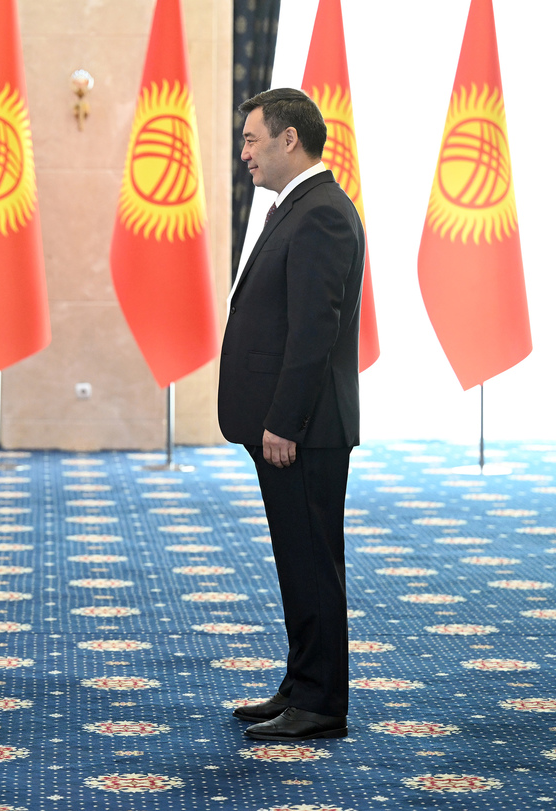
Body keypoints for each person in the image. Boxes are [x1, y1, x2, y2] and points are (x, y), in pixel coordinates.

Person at [218, 88, 364, 741]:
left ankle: (322, 703)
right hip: (293, 425)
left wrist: (284, 420)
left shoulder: (322, 213)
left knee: (312, 562)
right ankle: (302, 684)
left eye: (252, 139)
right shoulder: (297, 207)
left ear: (289, 139)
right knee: (298, 560)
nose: (244, 153)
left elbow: (313, 331)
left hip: (304, 429)